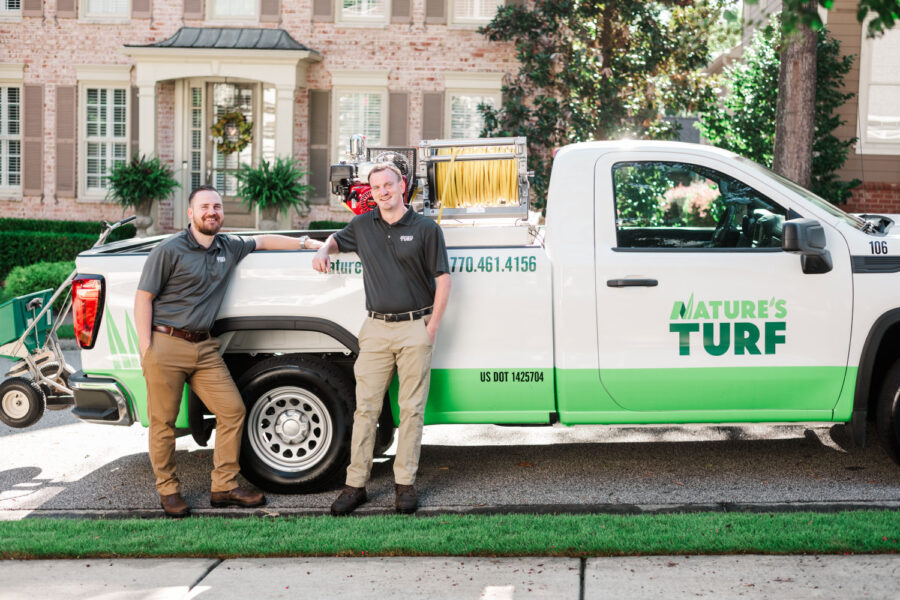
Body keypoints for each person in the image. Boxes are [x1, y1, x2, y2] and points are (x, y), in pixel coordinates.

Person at [135, 185, 322, 518]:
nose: (212, 212)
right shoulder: (169, 250)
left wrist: (308, 244)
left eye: (217, 207)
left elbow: (264, 241)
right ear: (190, 213)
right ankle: (168, 490)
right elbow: (143, 298)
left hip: (204, 347)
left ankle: (223, 486)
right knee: (162, 423)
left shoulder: (228, 245)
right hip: (167, 344)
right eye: (205, 206)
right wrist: (146, 349)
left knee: (233, 411)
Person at [313, 163, 451, 515]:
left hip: (414, 327)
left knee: (411, 409)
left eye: (389, 184)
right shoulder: (362, 226)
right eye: (376, 188)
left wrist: (431, 327)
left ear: (402, 185)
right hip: (375, 329)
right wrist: (322, 251)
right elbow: (333, 239)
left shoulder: (425, 228)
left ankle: (404, 484)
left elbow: (443, 279)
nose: (383, 191)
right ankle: (355, 485)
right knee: (366, 410)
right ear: (370, 193)